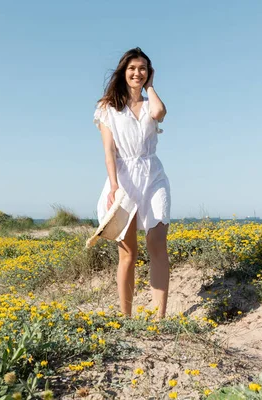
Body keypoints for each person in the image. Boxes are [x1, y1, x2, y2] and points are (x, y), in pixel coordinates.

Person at [93, 47, 171, 318]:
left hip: (153, 175)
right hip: (124, 178)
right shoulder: (108, 107)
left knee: (158, 243)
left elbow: (160, 112)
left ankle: (160, 317)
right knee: (128, 252)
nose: (137, 73)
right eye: (132, 69)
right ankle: (126, 317)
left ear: (149, 73)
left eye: (143, 69)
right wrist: (114, 186)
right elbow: (108, 152)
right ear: (123, 72)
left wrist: (151, 88)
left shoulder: (151, 103)